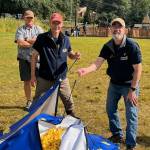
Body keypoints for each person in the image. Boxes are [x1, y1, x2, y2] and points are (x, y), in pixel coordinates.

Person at [78, 18, 142, 150]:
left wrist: (133, 89)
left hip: (130, 84)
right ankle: (117, 134)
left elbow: (138, 70)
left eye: (120, 27)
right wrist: (86, 70)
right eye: (114, 26)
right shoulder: (108, 46)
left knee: (131, 114)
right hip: (114, 84)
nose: (117, 29)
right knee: (110, 109)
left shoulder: (132, 46)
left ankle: (130, 143)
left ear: (124, 30)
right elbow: (97, 63)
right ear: (111, 29)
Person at [31, 12, 80, 116]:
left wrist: (74, 55)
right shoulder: (41, 38)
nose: (56, 25)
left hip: (62, 78)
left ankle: (73, 121)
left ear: (62, 24)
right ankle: (32, 122)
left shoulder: (66, 39)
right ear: (50, 23)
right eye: (54, 23)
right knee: (37, 102)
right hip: (45, 78)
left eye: (58, 23)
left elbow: (69, 54)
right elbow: (33, 56)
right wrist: (32, 76)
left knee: (69, 102)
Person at [15, 10, 44, 110]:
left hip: (38, 59)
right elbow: (20, 43)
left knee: (40, 80)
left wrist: (26, 39)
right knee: (26, 81)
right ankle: (29, 101)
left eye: (31, 17)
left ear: (34, 18)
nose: (29, 19)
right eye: (27, 17)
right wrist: (33, 42)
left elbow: (42, 42)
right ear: (24, 18)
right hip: (24, 59)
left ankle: (39, 100)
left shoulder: (39, 29)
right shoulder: (20, 29)